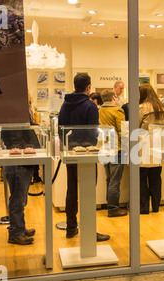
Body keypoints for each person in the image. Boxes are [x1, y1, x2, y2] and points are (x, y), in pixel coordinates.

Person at [58, 73, 110, 241]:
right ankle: (88, 231)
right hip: (87, 153)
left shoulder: (65, 104)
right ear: (88, 87)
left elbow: (60, 129)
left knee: (71, 191)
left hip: (70, 152)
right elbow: (93, 131)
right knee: (88, 191)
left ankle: (71, 227)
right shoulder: (90, 106)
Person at [2, 129, 39, 245]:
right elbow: (15, 142)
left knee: (20, 198)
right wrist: (30, 147)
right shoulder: (14, 117)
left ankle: (20, 227)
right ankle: (16, 233)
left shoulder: (14, 117)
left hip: (21, 161)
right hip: (19, 162)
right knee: (18, 200)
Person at [138, 83, 164, 214]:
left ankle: (144, 208)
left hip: (143, 144)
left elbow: (136, 126)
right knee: (156, 177)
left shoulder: (141, 108)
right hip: (158, 143)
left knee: (142, 177)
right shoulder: (162, 107)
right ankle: (156, 206)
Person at [99, 90, 128, 218]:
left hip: (105, 149)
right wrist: (127, 148)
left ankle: (109, 204)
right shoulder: (117, 111)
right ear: (113, 98)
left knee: (109, 179)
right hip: (117, 148)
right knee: (115, 180)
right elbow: (123, 132)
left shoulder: (100, 111)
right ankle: (113, 208)